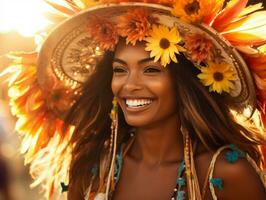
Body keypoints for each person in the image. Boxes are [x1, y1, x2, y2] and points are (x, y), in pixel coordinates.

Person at [2, 0, 266, 200]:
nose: (129, 85)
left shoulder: (225, 173)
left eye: (150, 69)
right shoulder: (93, 166)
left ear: (185, 82)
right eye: (120, 70)